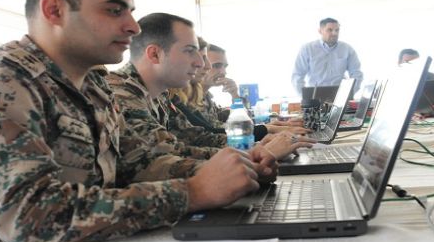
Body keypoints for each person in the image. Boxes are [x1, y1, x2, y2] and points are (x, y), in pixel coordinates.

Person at [0, 0, 274, 242]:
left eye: (129, 11)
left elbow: (137, 165)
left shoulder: (93, 84)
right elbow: (31, 220)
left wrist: (233, 170)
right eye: (114, 10)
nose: (131, 27)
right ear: (54, 10)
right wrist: (193, 192)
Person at [107, 13, 313, 161]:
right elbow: (165, 156)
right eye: (190, 51)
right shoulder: (122, 93)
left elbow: (197, 138)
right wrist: (255, 153)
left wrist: (257, 146)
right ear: (154, 54)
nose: (200, 64)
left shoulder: (159, 95)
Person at [168, 38, 310, 143]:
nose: (223, 71)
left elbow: (244, 120)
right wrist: (270, 129)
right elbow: (211, 134)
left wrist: (235, 96)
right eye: (216, 65)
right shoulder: (178, 99)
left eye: (224, 66)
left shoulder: (205, 97)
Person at [292, 17, 363, 94]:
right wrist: (305, 97)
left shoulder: (347, 49)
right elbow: (297, 76)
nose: (334, 33)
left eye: (337, 30)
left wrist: (349, 94)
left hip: (340, 95)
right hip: (315, 95)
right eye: (330, 30)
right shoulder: (307, 49)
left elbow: (357, 74)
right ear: (320, 31)